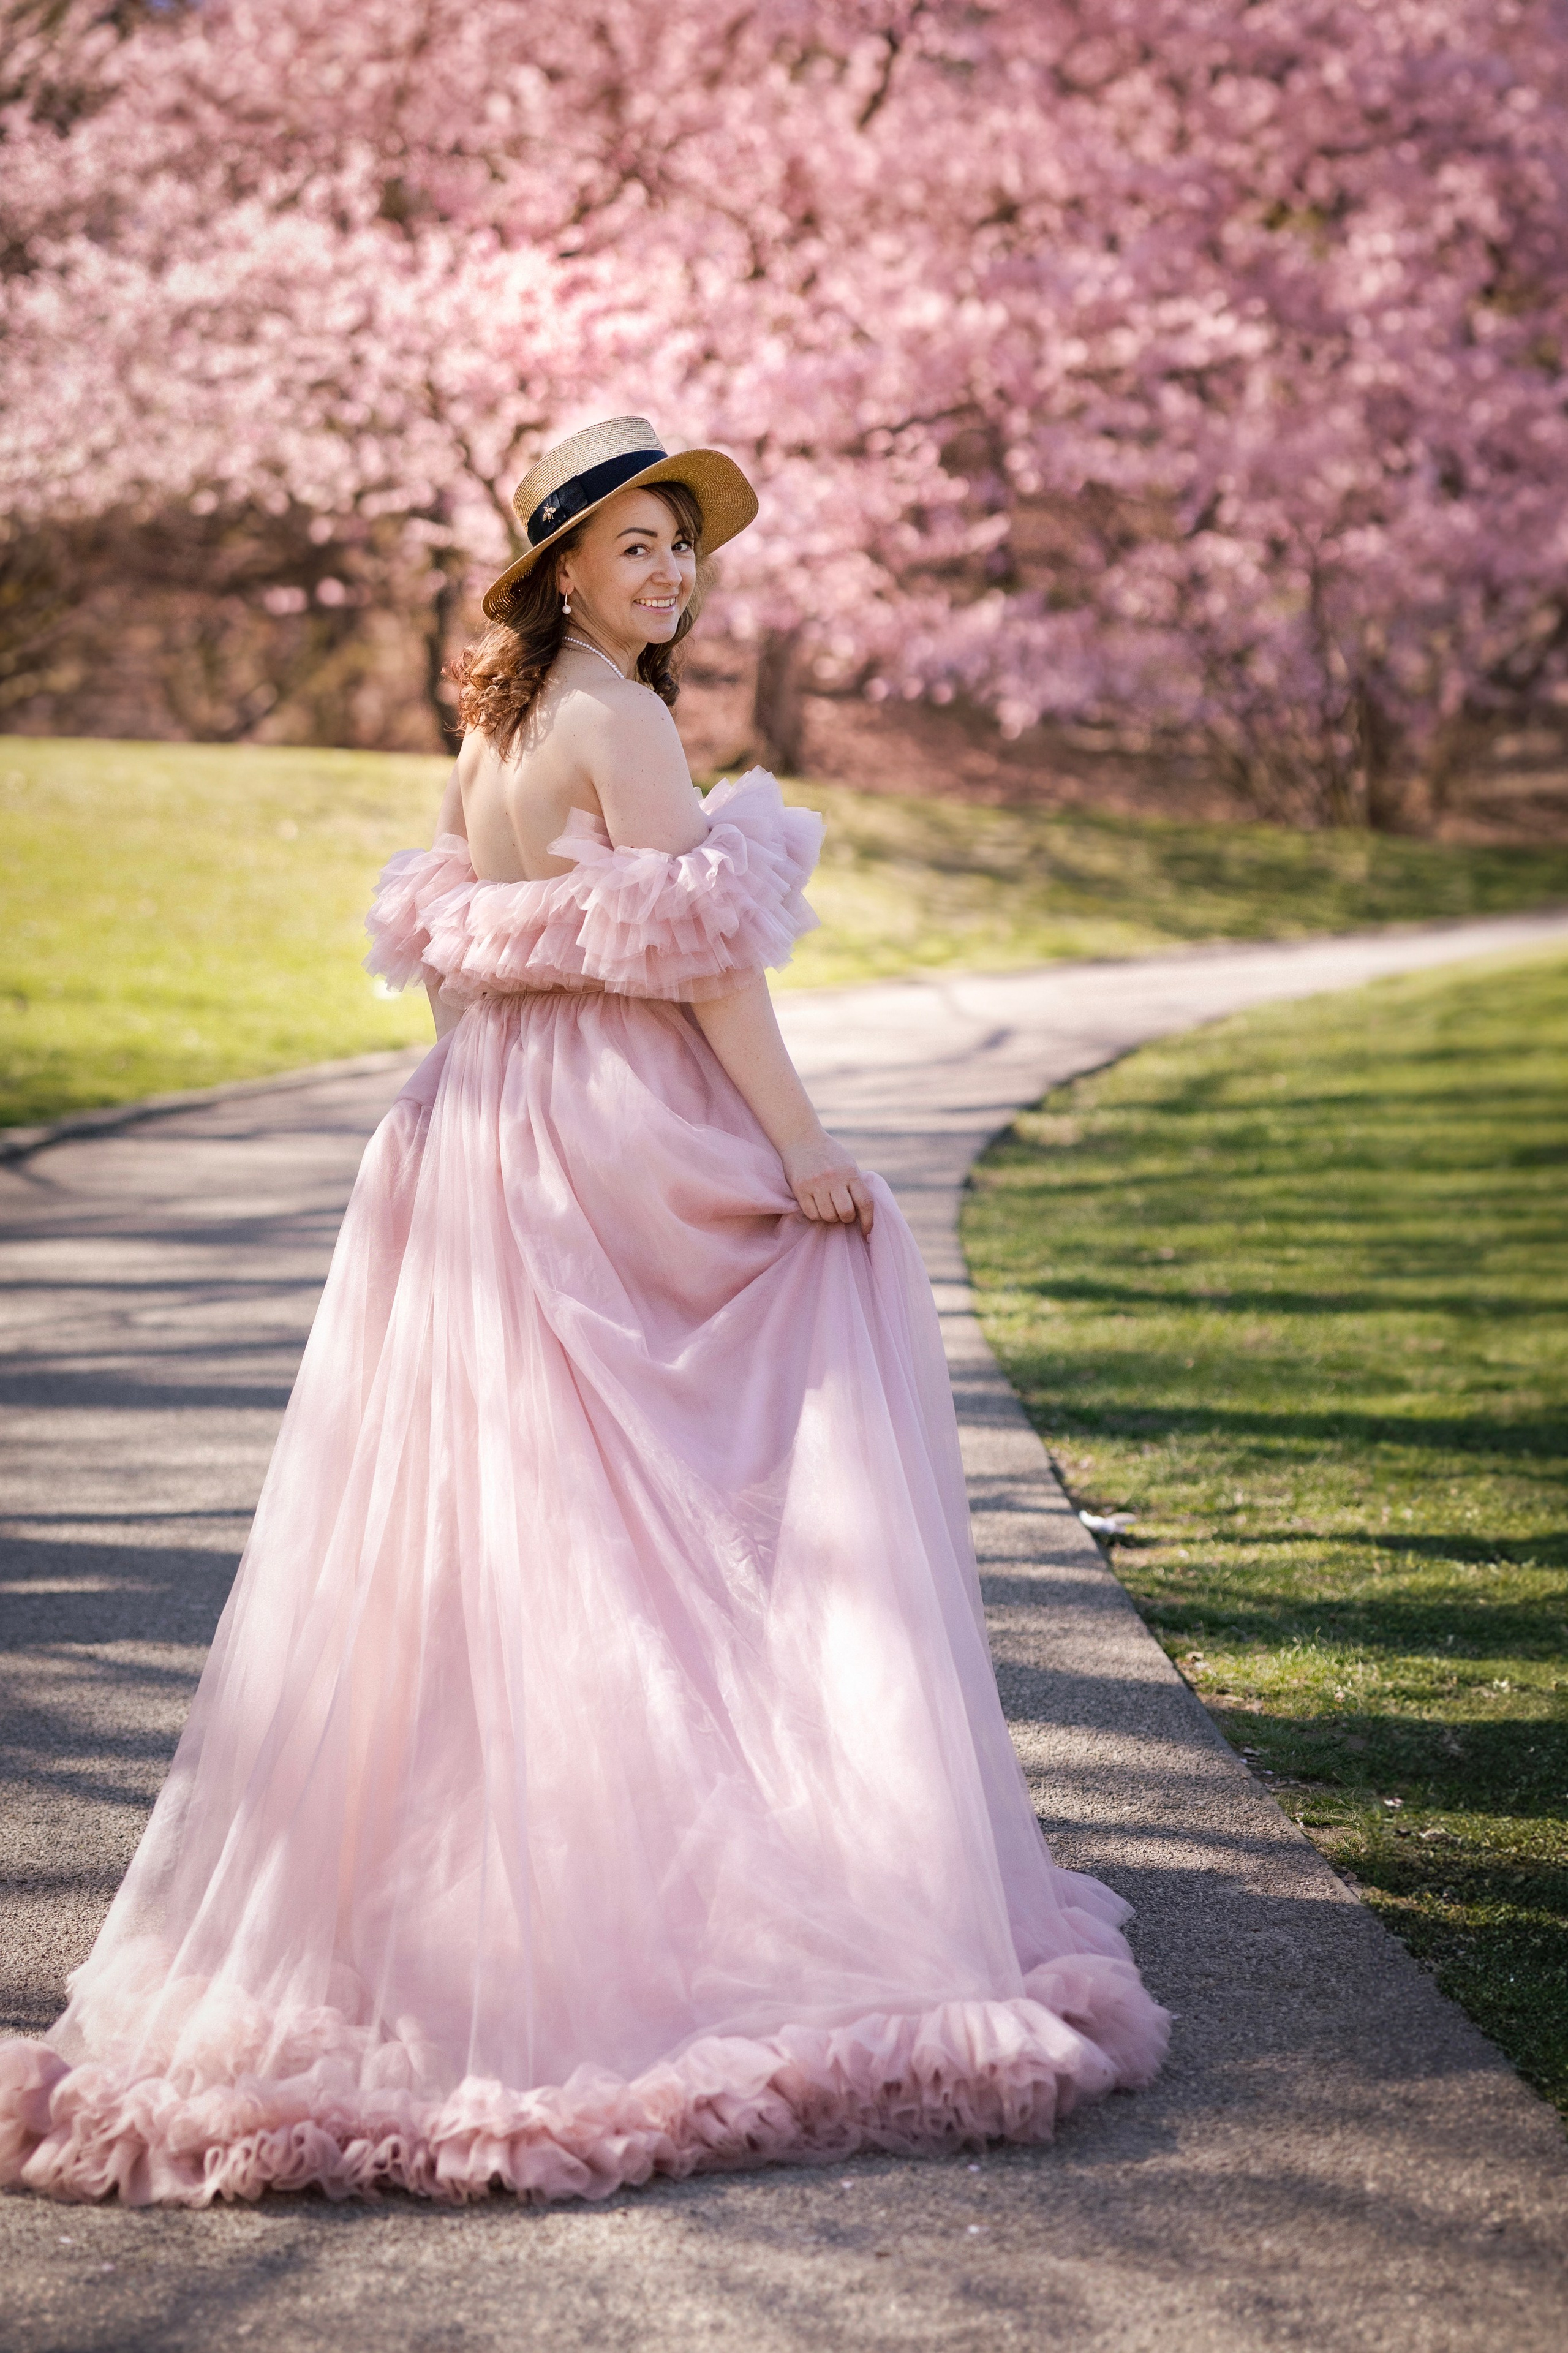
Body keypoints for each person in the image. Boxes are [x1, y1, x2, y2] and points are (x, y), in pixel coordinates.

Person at [0, 418, 1167, 2207]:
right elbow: (711, 968)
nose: (671, 572)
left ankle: (523, 1868)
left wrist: (474, 1121)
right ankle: (731, 1862)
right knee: (731, 1416)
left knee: (519, 1511)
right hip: (612, 1126)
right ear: (559, 567)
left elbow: (463, 960)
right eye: (636, 545)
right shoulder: (619, 719)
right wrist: (802, 1145)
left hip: (491, 1127)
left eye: (682, 544)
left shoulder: (497, 722)